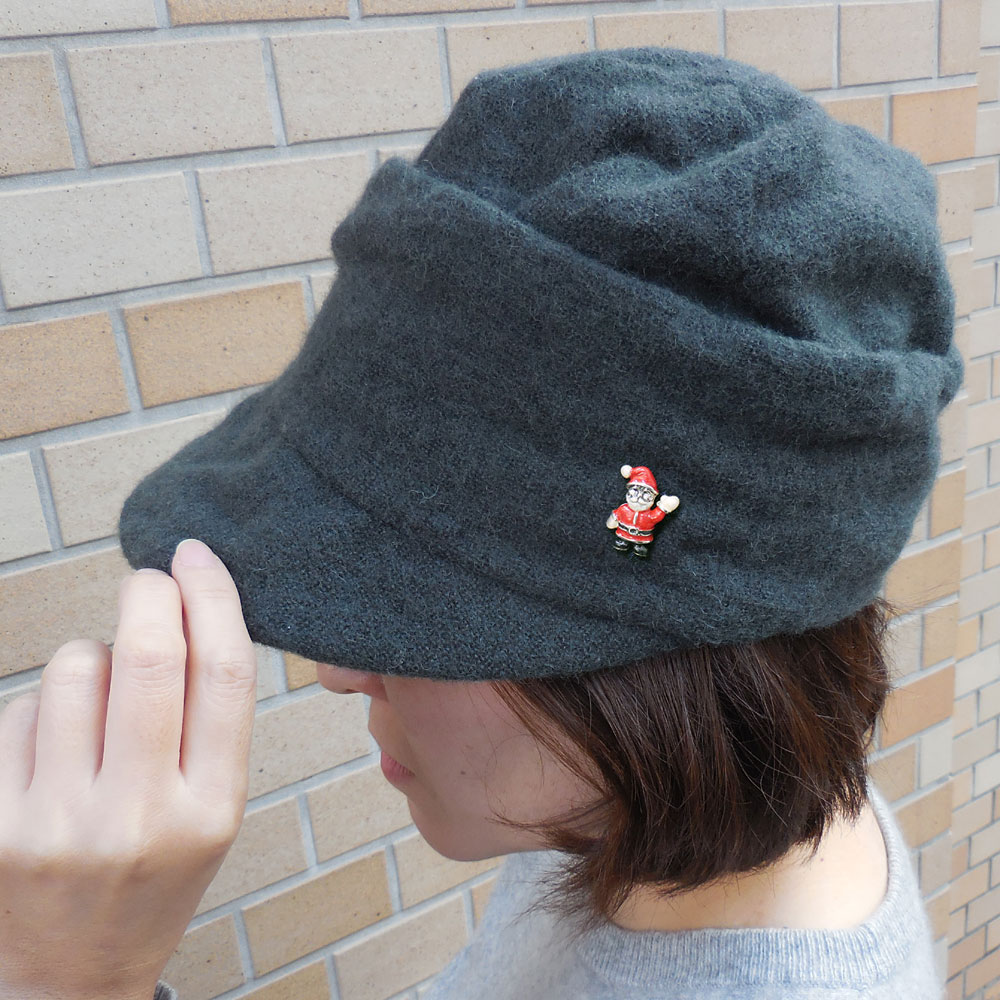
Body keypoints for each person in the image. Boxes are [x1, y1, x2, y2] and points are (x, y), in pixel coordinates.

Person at [0, 43, 963, 1000]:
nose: (338, 671)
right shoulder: (640, 811)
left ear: (667, 656)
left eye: (434, 595)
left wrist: (70, 978)